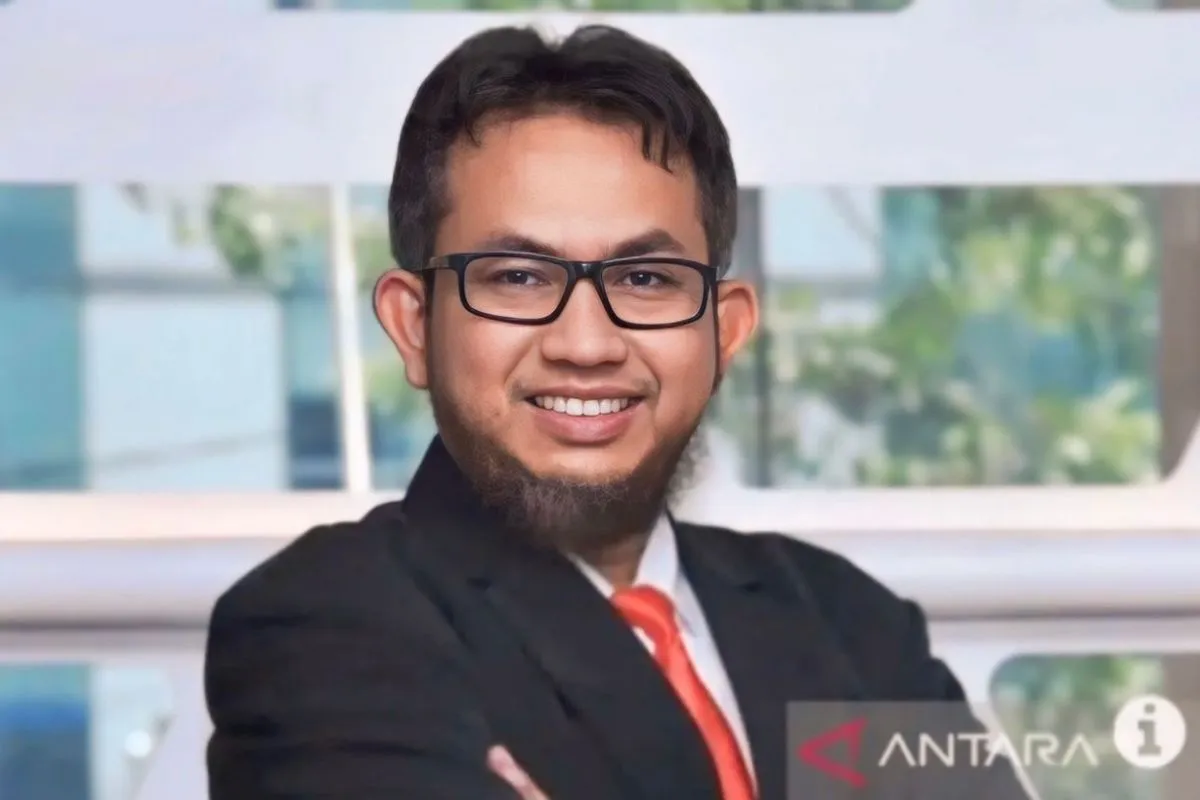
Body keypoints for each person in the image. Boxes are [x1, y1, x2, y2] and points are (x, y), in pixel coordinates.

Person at [204, 24, 1029, 800]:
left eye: (645, 280)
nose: (587, 343)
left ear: (725, 331)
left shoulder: (850, 624)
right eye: (518, 278)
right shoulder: (322, 625)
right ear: (414, 324)